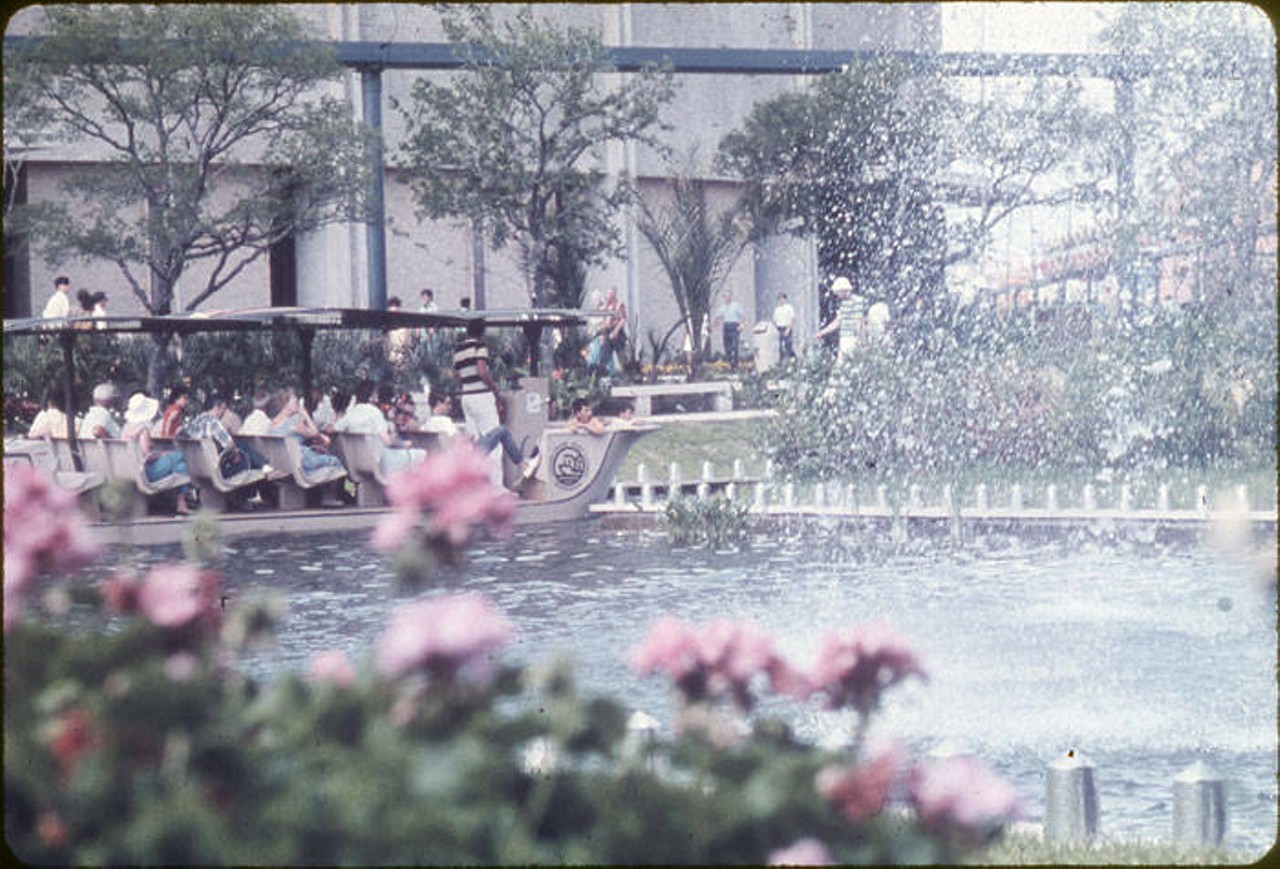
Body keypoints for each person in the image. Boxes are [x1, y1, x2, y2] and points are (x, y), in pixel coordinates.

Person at [424, 389, 539, 481]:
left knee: (489, 436)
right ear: (438, 403)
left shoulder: (427, 425)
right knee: (502, 430)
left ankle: (523, 463)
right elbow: (457, 440)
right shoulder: (445, 422)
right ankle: (524, 464)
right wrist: (469, 438)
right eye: (447, 403)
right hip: (466, 456)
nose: (450, 407)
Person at [121, 392, 193, 514]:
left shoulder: (126, 428)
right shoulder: (142, 430)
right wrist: (162, 454)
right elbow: (147, 456)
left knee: (179, 464)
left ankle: (181, 503)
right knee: (179, 457)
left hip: (130, 470)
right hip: (146, 473)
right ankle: (182, 503)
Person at [335, 378, 425, 475]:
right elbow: (388, 442)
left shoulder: (350, 413)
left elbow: (335, 428)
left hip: (358, 465)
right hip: (380, 463)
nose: (377, 396)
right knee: (421, 454)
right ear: (371, 396)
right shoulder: (374, 412)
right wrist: (406, 444)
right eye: (375, 393)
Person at [180, 393, 272, 476]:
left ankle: (263, 465)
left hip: (200, 470)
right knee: (240, 445)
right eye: (223, 409)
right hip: (219, 471)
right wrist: (235, 455)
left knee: (241, 448)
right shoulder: (214, 423)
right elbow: (229, 445)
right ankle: (263, 465)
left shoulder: (195, 422)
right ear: (216, 407)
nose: (223, 412)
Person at [269, 387, 344, 475]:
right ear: (286, 404)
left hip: (282, 466)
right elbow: (315, 433)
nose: (298, 405)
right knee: (335, 461)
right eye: (295, 402)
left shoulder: (272, 424)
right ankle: (337, 489)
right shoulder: (295, 423)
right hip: (301, 464)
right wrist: (304, 412)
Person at [453, 318, 504, 439]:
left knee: (474, 438)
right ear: (482, 332)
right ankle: (494, 459)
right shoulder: (480, 347)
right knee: (492, 435)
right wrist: (494, 389)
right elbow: (482, 371)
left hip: (466, 396)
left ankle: (476, 459)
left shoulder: (458, 350)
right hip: (481, 395)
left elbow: (456, 374)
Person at [813, 276, 866, 359]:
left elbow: (858, 321)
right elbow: (838, 321)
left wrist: (861, 339)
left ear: (844, 290)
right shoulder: (843, 303)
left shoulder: (857, 301)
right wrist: (822, 332)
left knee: (846, 365)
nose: (837, 295)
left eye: (838, 292)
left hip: (852, 338)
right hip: (844, 337)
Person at [713, 290, 745, 368]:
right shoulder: (722, 307)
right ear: (723, 298)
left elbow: (743, 316)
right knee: (727, 346)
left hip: (734, 326)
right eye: (725, 296)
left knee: (734, 346)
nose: (727, 298)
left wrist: (741, 325)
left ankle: (735, 364)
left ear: (731, 297)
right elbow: (718, 318)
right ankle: (730, 362)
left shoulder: (736, 305)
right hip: (726, 327)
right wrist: (714, 326)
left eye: (728, 296)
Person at [601, 286, 627, 376]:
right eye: (607, 293)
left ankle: (626, 374)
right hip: (607, 332)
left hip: (617, 332)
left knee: (621, 354)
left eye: (609, 293)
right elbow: (603, 319)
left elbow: (623, 319)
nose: (607, 296)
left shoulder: (619, 305)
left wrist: (616, 331)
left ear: (613, 294)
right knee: (606, 354)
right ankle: (606, 374)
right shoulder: (606, 306)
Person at [773, 292, 797, 361]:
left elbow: (792, 319)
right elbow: (775, 320)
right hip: (779, 328)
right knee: (780, 347)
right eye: (779, 299)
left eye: (782, 298)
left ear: (785, 299)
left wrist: (788, 329)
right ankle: (781, 361)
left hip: (786, 327)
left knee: (788, 345)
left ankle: (793, 360)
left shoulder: (789, 308)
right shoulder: (777, 310)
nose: (781, 300)